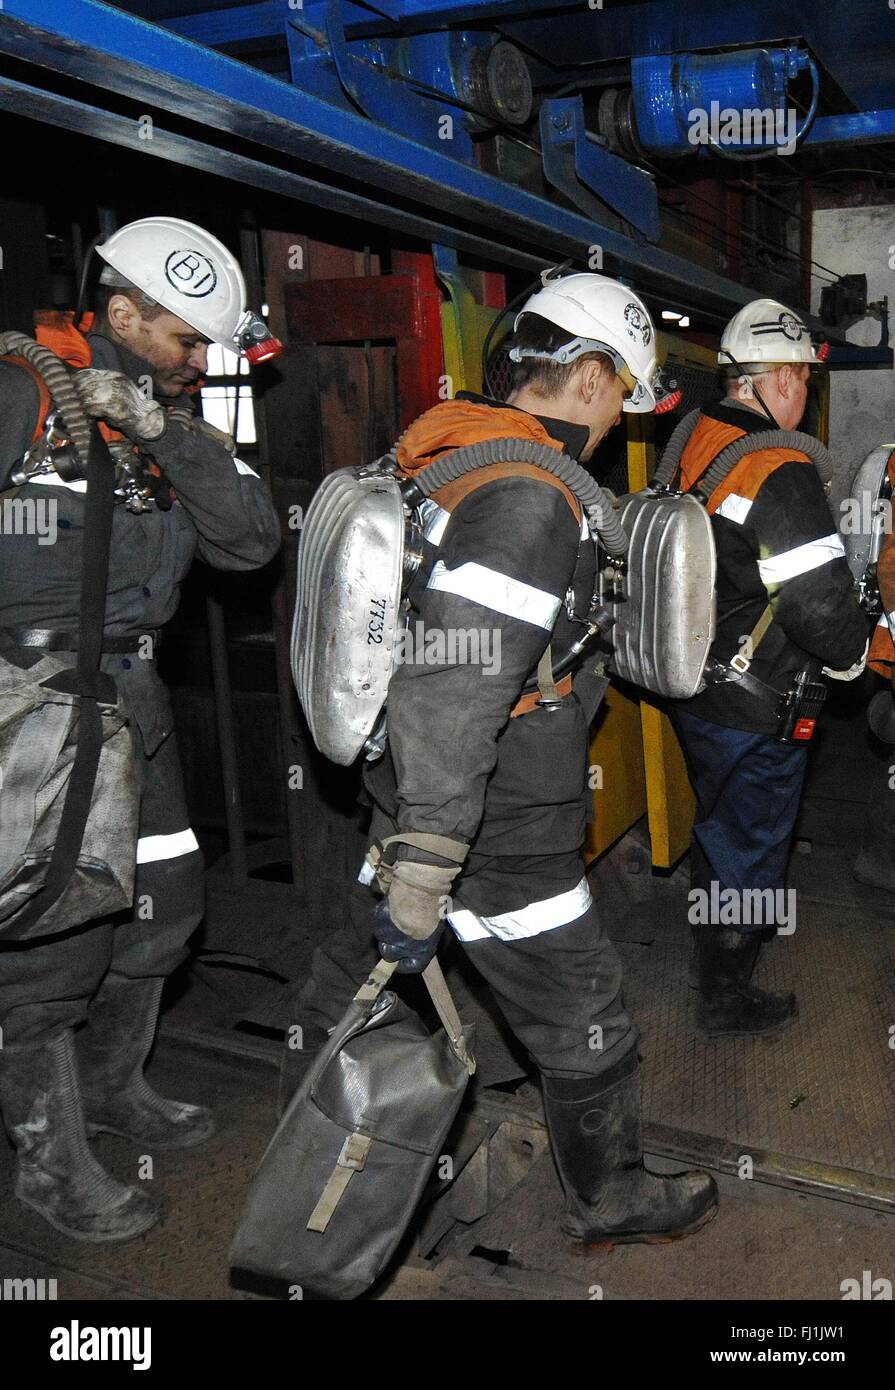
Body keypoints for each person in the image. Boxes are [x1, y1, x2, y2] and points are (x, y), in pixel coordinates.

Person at [290, 272, 719, 1248]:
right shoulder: (528, 497)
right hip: (492, 808)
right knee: (579, 1000)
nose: (616, 421)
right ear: (591, 376)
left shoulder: (443, 447)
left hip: (406, 779)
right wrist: (433, 856)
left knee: (355, 974)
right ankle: (607, 1195)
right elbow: (458, 681)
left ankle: (313, 1129)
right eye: (619, 394)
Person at [0, 217, 281, 1242]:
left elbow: (251, 545)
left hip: (137, 707)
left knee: (162, 914)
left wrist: (169, 431)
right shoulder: (23, 394)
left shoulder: (164, 423)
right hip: (35, 710)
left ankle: (118, 1089)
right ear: (121, 313)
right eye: (184, 339)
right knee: (47, 952)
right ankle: (51, 1164)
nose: (200, 361)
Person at [665, 298, 867, 1038]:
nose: (804, 395)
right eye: (803, 381)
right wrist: (854, 656)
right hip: (755, 699)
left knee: (719, 827)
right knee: (752, 845)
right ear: (779, 378)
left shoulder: (696, 434)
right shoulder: (775, 465)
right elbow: (817, 605)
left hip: (696, 680)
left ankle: (710, 951)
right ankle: (724, 994)